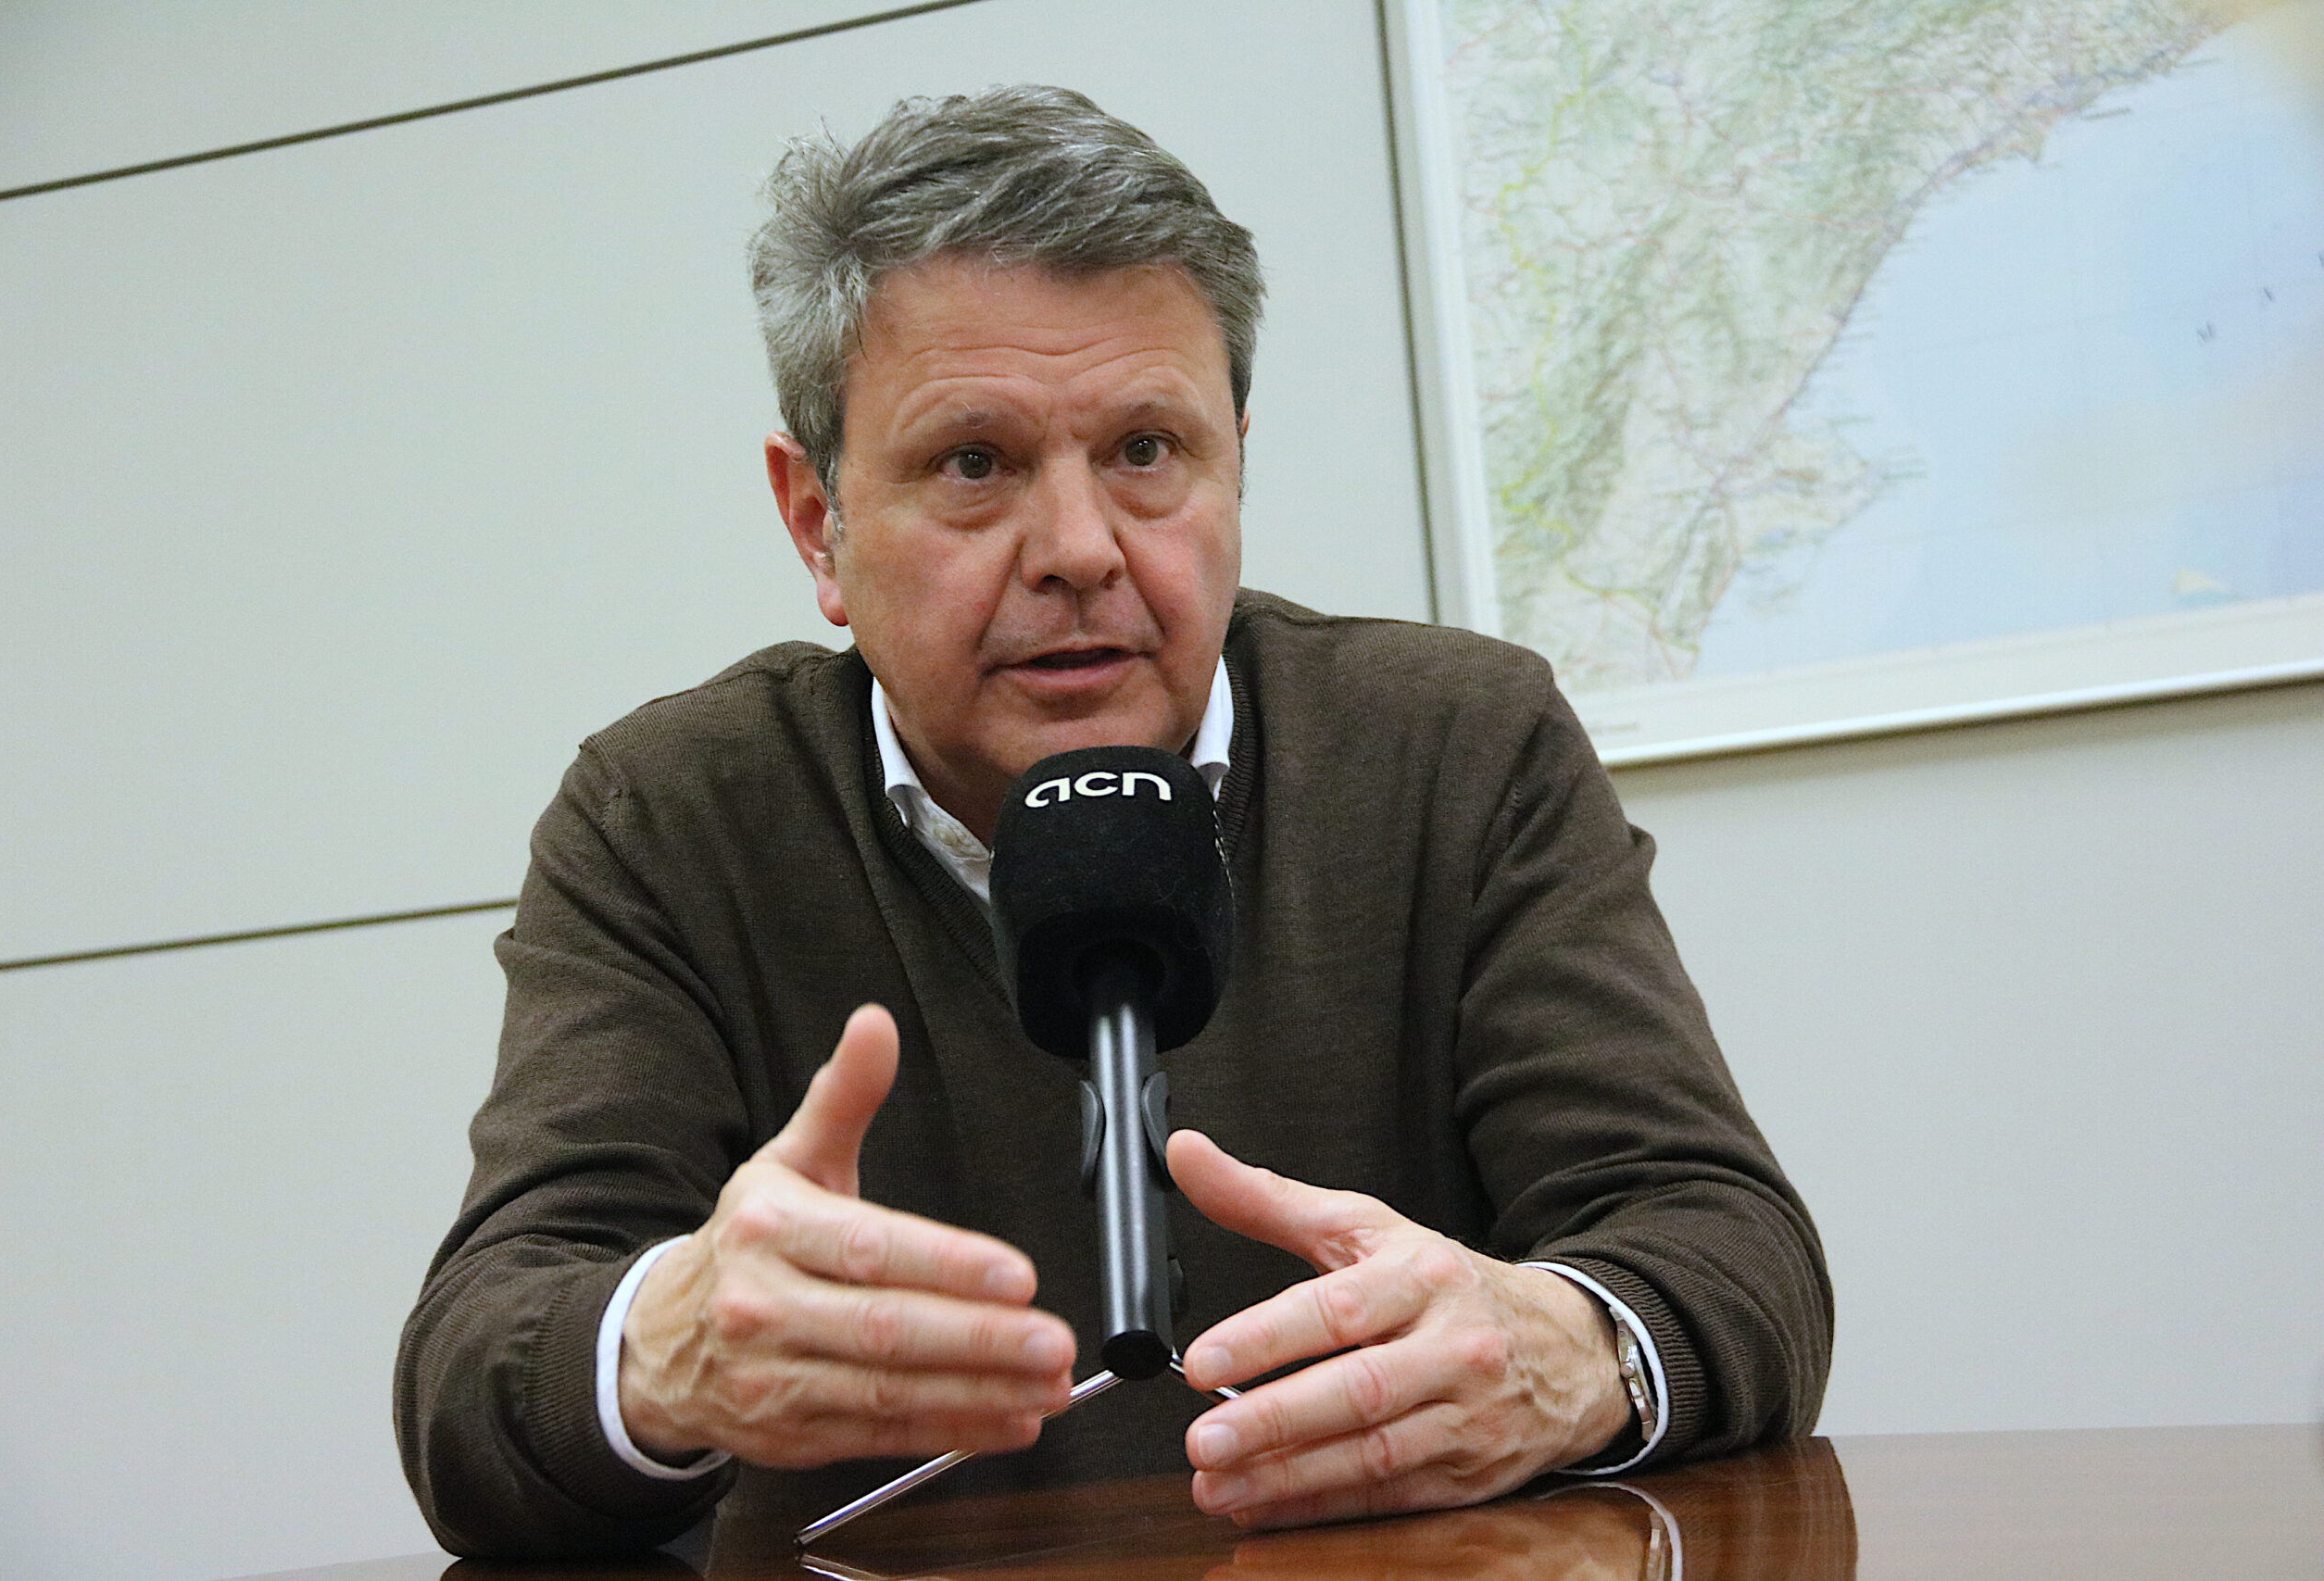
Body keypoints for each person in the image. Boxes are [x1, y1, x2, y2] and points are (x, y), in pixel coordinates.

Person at [394, 85, 1831, 1560]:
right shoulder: (669, 817)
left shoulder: (1460, 746)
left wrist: (1568, 1349)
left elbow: (1725, 1246)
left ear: (1234, 465)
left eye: (1146, 450)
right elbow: (475, 1377)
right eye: (975, 464)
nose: (1079, 551)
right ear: (819, 521)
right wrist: (665, 1344)